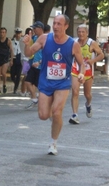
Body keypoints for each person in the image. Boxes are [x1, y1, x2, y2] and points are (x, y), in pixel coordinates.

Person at [23, 15, 85, 155]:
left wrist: (81, 74)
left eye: (59, 24)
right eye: (54, 23)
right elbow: (29, 53)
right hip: (45, 81)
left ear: (66, 26)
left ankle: (53, 143)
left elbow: (82, 64)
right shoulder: (44, 39)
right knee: (43, 115)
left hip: (62, 83)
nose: (56, 26)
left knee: (57, 112)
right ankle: (51, 112)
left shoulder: (73, 44)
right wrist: (26, 44)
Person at [69, 24, 104, 124]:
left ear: (87, 33)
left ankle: (88, 104)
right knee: (75, 91)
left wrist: (92, 61)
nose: (81, 34)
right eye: (79, 32)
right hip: (76, 69)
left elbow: (101, 55)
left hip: (88, 70)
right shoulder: (73, 42)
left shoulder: (91, 43)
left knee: (87, 94)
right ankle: (75, 115)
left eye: (83, 32)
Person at [24, 22, 46, 109]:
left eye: (35, 28)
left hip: (42, 66)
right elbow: (29, 52)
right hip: (34, 64)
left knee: (40, 86)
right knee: (27, 81)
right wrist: (27, 44)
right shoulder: (35, 38)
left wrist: (39, 62)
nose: (33, 30)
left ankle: (45, 103)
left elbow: (48, 55)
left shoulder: (46, 39)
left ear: (40, 28)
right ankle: (34, 99)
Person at [19, 27, 32, 96]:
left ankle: (26, 90)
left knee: (26, 75)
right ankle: (23, 90)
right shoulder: (27, 39)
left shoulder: (21, 39)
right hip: (26, 58)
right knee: (26, 76)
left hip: (24, 58)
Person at [10, 27, 23, 94]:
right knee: (12, 75)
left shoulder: (23, 41)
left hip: (20, 59)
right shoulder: (12, 41)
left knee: (18, 74)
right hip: (14, 58)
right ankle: (17, 83)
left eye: (19, 33)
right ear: (15, 33)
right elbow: (11, 51)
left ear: (21, 34)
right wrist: (11, 60)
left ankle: (15, 89)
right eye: (17, 33)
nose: (18, 35)